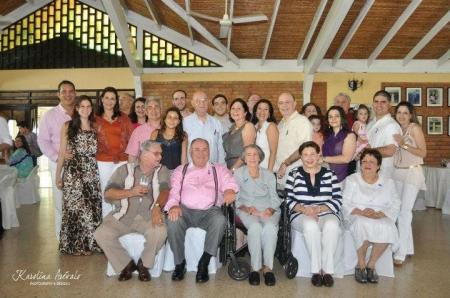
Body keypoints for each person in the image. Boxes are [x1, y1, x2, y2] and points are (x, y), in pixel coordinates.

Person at [94, 140, 170, 282]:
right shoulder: (124, 170)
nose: (160, 157)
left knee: (160, 232)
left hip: (148, 216)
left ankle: (144, 265)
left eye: (161, 154)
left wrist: (157, 207)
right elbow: (108, 194)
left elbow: (165, 191)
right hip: (123, 214)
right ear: (143, 154)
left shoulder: (162, 170)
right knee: (100, 234)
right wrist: (131, 192)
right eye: (156, 154)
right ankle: (126, 265)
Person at [165, 138, 238, 283]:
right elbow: (174, 191)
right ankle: (179, 264)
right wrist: (173, 205)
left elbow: (230, 182)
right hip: (185, 210)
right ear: (190, 152)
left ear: (209, 152)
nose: (201, 153)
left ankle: (204, 262)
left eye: (205, 149)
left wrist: (229, 190)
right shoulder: (181, 169)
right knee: (173, 221)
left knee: (220, 220)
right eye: (197, 149)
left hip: (209, 211)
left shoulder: (219, 169)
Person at [286, 141, 342, 287]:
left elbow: (337, 198)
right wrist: (305, 210)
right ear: (301, 157)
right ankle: (316, 271)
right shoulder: (293, 174)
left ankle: (327, 271)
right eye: (305, 154)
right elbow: (288, 199)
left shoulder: (330, 174)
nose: (309, 158)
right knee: (310, 225)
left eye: (312, 154)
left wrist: (318, 209)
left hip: (325, 211)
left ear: (318, 155)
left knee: (332, 225)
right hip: (301, 213)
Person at [343, 149, 401, 284]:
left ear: (379, 165)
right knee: (361, 224)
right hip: (356, 214)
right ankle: (361, 265)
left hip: (380, 214)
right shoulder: (352, 180)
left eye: (372, 162)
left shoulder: (388, 182)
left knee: (388, 227)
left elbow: (396, 202)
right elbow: (344, 202)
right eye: (364, 161)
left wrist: (381, 214)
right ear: (360, 163)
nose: (367, 164)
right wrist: (361, 212)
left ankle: (371, 265)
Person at [55, 96, 102, 255]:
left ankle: (89, 244)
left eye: (88, 106)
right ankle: (74, 245)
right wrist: (58, 175)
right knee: (75, 209)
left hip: (91, 172)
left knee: (90, 208)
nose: (85, 109)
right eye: (82, 106)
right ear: (76, 108)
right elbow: (62, 152)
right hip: (73, 172)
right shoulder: (68, 126)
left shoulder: (95, 126)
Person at [234, 144, 280, 286]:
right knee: (255, 227)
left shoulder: (269, 175)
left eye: (255, 154)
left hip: (268, 208)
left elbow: (275, 197)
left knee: (270, 228)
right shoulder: (238, 173)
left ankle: (268, 268)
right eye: (249, 154)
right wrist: (246, 208)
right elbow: (236, 198)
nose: (252, 157)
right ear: (244, 158)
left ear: (260, 157)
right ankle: (255, 268)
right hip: (246, 208)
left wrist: (271, 210)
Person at [38, 80, 76, 240]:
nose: (67, 94)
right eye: (63, 91)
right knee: (61, 203)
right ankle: (63, 239)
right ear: (58, 94)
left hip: (80, 166)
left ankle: (77, 238)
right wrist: (57, 156)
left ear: (75, 93)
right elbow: (42, 141)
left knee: (79, 202)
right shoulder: (50, 115)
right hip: (59, 165)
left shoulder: (82, 112)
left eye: (70, 91)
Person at [392, 102, 427, 265]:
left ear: (411, 115)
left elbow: (423, 152)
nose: (402, 115)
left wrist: (403, 144)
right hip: (397, 172)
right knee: (399, 211)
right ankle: (408, 247)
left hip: (412, 172)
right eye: (399, 112)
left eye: (405, 112)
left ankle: (401, 252)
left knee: (405, 212)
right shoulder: (397, 129)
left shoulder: (414, 128)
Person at [95, 86, 134, 217]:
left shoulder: (124, 117)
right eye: (106, 98)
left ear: (116, 101)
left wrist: (131, 159)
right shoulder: (94, 118)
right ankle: (106, 222)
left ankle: (119, 220)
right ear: (101, 100)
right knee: (105, 191)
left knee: (121, 191)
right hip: (103, 161)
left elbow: (131, 138)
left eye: (112, 98)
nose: (109, 101)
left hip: (122, 160)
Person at [275, 92, 312, 185]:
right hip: (280, 175)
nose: (284, 105)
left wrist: (285, 163)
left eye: (287, 102)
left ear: (295, 103)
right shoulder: (281, 124)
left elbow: (305, 148)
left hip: (296, 176)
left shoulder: (302, 121)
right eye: (281, 103)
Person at [366, 90, 401, 178]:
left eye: (383, 102)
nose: (379, 105)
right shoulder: (370, 124)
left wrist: (367, 151)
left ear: (389, 104)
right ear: (373, 104)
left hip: (382, 175)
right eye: (376, 102)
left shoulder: (391, 125)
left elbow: (390, 151)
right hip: (366, 172)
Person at [183, 91, 225, 164]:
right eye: (198, 101)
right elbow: (183, 147)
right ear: (192, 103)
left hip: (213, 168)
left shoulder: (216, 122)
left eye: (204, 100)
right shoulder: (185, 122)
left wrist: (221, 167)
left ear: (208, 102)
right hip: (192, 170)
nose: (202, 104)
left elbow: (220, 147)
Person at [321, 106, 356, 183]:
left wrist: (323, 158)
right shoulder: (327, 135)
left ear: (342, 118)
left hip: (341, 178)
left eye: (337, 116)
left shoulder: (350, 135)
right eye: (330, 117)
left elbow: (346, 159)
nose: (333, 119)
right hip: (325, 177)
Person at [222, 98, 256, 170]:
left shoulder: (248, 126)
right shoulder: (232, 128)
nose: (235, 111)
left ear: (245, 112)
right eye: (233, 108)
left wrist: (233, 169)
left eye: (239, 108)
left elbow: (248, 151)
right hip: (229, 168)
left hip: (242, 169)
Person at [150, 107, 187, 171]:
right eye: (169, 117)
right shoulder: (155, 133)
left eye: (175, 118)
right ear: (165, 119)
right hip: (158, 172)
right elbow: (150, 156)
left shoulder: (183, 136)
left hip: (176, 173)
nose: (172, 120)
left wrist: (184, 174)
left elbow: (184, 158)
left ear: (179, 121)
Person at [126, 98, 162, 163]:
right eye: (150, 108)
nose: (153, 110)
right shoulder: (138, 131)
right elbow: (132, 156)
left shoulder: (168, 129)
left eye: (156, 107)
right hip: (146, 171)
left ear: (161, 110)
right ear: (146, 112)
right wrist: (131, 172)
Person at [252, 99, 278, 171]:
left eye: (266, 109)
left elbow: (273, 152)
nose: (262, 112)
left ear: (269, 113)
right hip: (256, 170)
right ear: (255, 111)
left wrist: (269, 174)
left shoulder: (271, 126)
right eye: (259, 108)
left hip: (267, 169)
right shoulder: (254, 126)